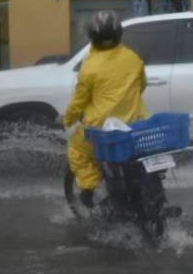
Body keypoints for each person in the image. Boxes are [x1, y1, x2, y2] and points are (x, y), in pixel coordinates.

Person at [63, 11, 149, 207]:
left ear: (92, 38)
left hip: (101, 129)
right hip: (134, 125)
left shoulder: (89, 67)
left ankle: (89, 188)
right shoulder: (133, 58)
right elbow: (141, 85)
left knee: (77, 149)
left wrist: (68, 119)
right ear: (119, 34)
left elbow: (79, 101)